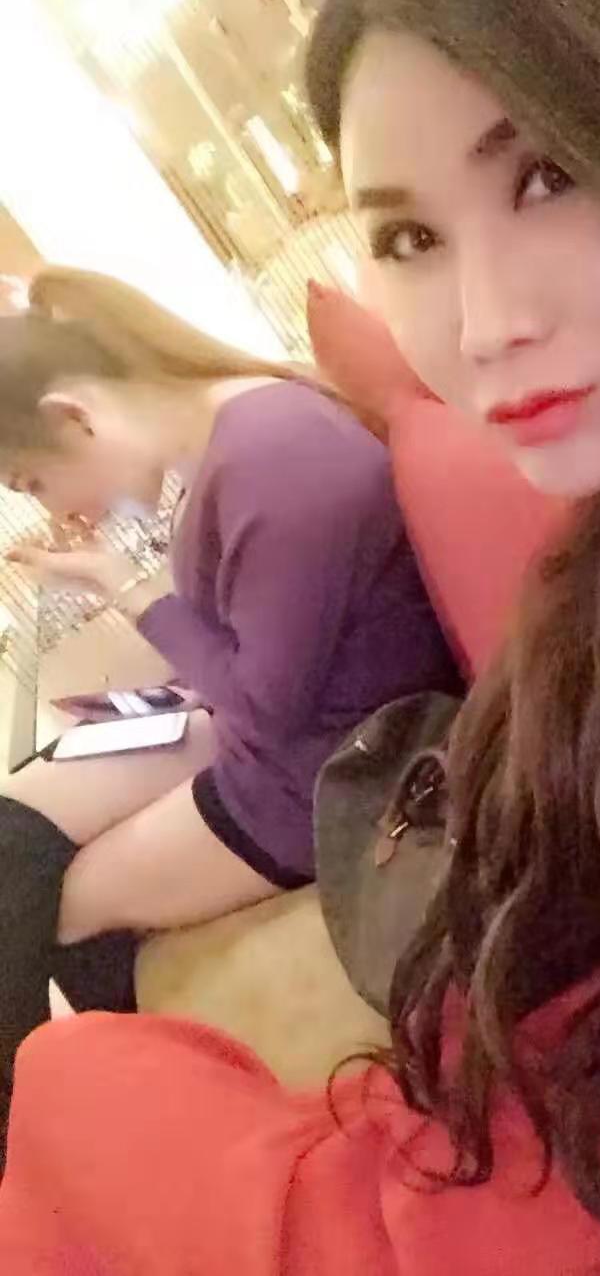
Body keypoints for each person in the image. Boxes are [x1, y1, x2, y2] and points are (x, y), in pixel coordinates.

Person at [0, 0, 600, 1270]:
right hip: (474, 1143)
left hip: (479, 1207)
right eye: (410, 237)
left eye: (548, 177)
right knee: (81, 1059)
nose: (482, 322)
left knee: (69, 1059)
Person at [0, 266, 460, 1164]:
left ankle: (96, 1149)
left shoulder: (277, 465)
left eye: (36, 481)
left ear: (75, 418)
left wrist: (129, 591)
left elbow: (267, 708)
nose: (57, 509)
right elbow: (250, 654)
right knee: (15, 827)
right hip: (270, 723)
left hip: (324, 772)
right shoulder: (232, 439)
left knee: (42, 902)